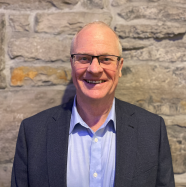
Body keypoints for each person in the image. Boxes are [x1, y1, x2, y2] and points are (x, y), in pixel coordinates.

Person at [11, 21, 175, 187]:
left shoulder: (152, 130)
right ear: (72, 64)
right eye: (84, 58)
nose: (94, 69)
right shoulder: (33, 133)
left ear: (120, 67)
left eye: (105, 59)